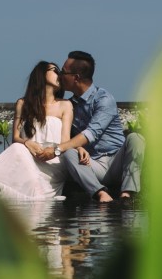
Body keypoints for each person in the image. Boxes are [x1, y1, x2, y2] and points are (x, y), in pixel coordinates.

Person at [0, 61, 72, 202]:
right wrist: (28, 143)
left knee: (17, 150)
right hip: (27, 155)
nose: (59, 74)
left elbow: (65, 142)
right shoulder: (23, 104)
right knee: (18, 148)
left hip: (52, 160)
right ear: (41, 74)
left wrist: (51, 151)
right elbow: (16, 138)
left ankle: (36, 193)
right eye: (55, 70)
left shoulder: (65, 105)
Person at [55, 50, 145, 204]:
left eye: (63, 72)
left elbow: (91, 133)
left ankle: (127, 193)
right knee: (69, 153)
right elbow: (67, 137)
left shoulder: (103, 98)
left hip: (116, 160)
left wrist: (57, 149)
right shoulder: (68, 105)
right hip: (91, 164)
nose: (59, 76)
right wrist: (76, 148)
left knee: (136, 138)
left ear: (76, 78)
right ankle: (100, 193)